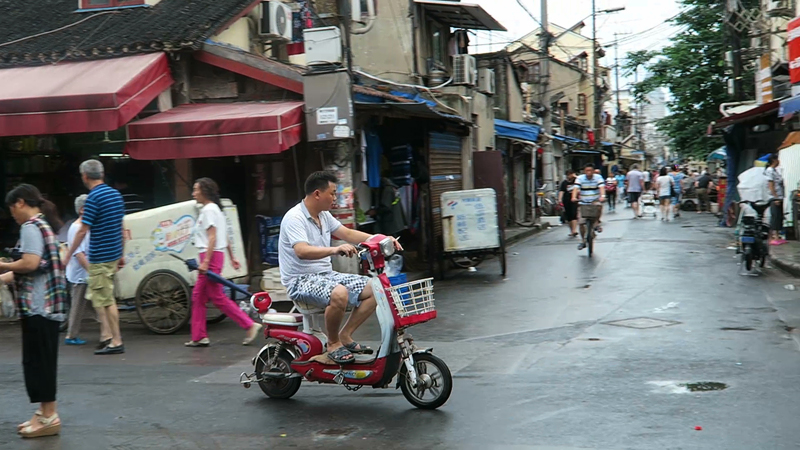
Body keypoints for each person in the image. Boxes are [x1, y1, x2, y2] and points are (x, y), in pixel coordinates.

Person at [279, 171, 401, 364]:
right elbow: (301, 251)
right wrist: (334, 250)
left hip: (325, 275)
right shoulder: (295, 217)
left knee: (378, 288)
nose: (335, 198)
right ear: (317, 194)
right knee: (340, 293)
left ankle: (345, 335)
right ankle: (333, 342)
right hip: (299, 280)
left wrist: (381, 239)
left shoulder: (324, 216)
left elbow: (348, 233)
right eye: (333, 193)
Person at [0, 184, 67, 438]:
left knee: (40, 362)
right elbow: (37, 266)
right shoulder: (43, 225)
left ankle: (50, 416)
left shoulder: (30, 227)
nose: (12, 215)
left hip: (39, 305)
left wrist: (2, 265)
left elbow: (30, 263)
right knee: (41, 361)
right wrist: (6, 276)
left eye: (11, 209)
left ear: (19, 202)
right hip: (47, 304)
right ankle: (43, 412)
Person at [185, 178, 262, 347]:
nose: (193, 193)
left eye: (196, 190)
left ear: (204, 191)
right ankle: (199, 336)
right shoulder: (215, 210)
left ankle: (248, 324)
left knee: (213, 296)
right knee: (200, 297)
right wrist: (231, 256)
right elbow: (223, 236)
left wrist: (205, 261)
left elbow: (212, 237)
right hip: (214, 255)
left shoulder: (209, 210)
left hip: (209, 256)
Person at [65, 159, 126, 355]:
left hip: (100, 256)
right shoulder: (115, 194)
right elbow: (121, 227)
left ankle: (115, 340)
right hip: (114, 253)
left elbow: (83, 230)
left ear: (84, 176)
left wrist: (68, 254)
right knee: (102, 298)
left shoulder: (94, 198)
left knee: (106, 300)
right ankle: (107, 336)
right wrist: (122, 253)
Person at [64, 195, 108, 346]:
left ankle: (107, 329)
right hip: (80, 274)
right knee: (78, 305)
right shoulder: (76, 228)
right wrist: (92, 271)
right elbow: (79, 254)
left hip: (86, 272)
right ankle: (71, 335)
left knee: (94, 303)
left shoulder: (85, 226)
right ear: (82, 210)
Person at [571, 163, 606, 251]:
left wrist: (602, 196)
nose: (589, 172)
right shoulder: (580, 178)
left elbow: (601, 187)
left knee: (599, 206)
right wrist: (574, 197)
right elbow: (576, 188)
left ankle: (596, 223)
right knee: (581, 223)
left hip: (594, 200)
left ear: (594, 171)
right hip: (583, 202)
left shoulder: (598, 177)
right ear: (584, 171)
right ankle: (583, 241)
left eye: (590, 171)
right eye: (587, 171)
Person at [765, 154, 786, 245]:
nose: (779, 161)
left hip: (780, 196)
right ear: (774, 160)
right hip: (774, 197)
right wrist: (775, 197)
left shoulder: (775, 171)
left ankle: (777, 235)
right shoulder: (769, 171)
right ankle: (774, 236)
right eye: (777, 159)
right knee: (775, 216)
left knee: (779, 216)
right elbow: (771, 185)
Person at [558, 170, 579, 237]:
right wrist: (559, 199)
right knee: (568, 216)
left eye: (571, 174)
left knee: (574, 214)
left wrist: (575, 176)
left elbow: (581, 181)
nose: (570, 176)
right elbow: (562, 191)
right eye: (569, 174)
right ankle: (571, 230)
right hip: (566, 200)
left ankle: (574, 230)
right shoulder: (564, 183)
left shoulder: (577, 181)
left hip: (574, 200)